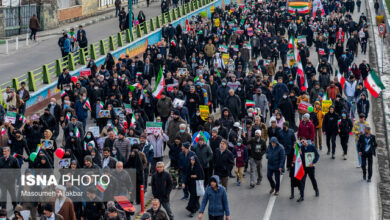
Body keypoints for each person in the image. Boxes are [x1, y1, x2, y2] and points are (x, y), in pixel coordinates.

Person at [297, 137, 320, 202]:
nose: (302, 143)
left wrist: (313, 162)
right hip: (304, 167)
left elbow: (317, 155)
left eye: (303, 141)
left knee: (312, 179)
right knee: (302, 181)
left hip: (310, 167)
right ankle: (302, 196)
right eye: (301, 142)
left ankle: (316, 190)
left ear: (306, 140)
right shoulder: (301, 148)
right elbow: (300, 158)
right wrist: (300, 154)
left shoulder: (312, 147)